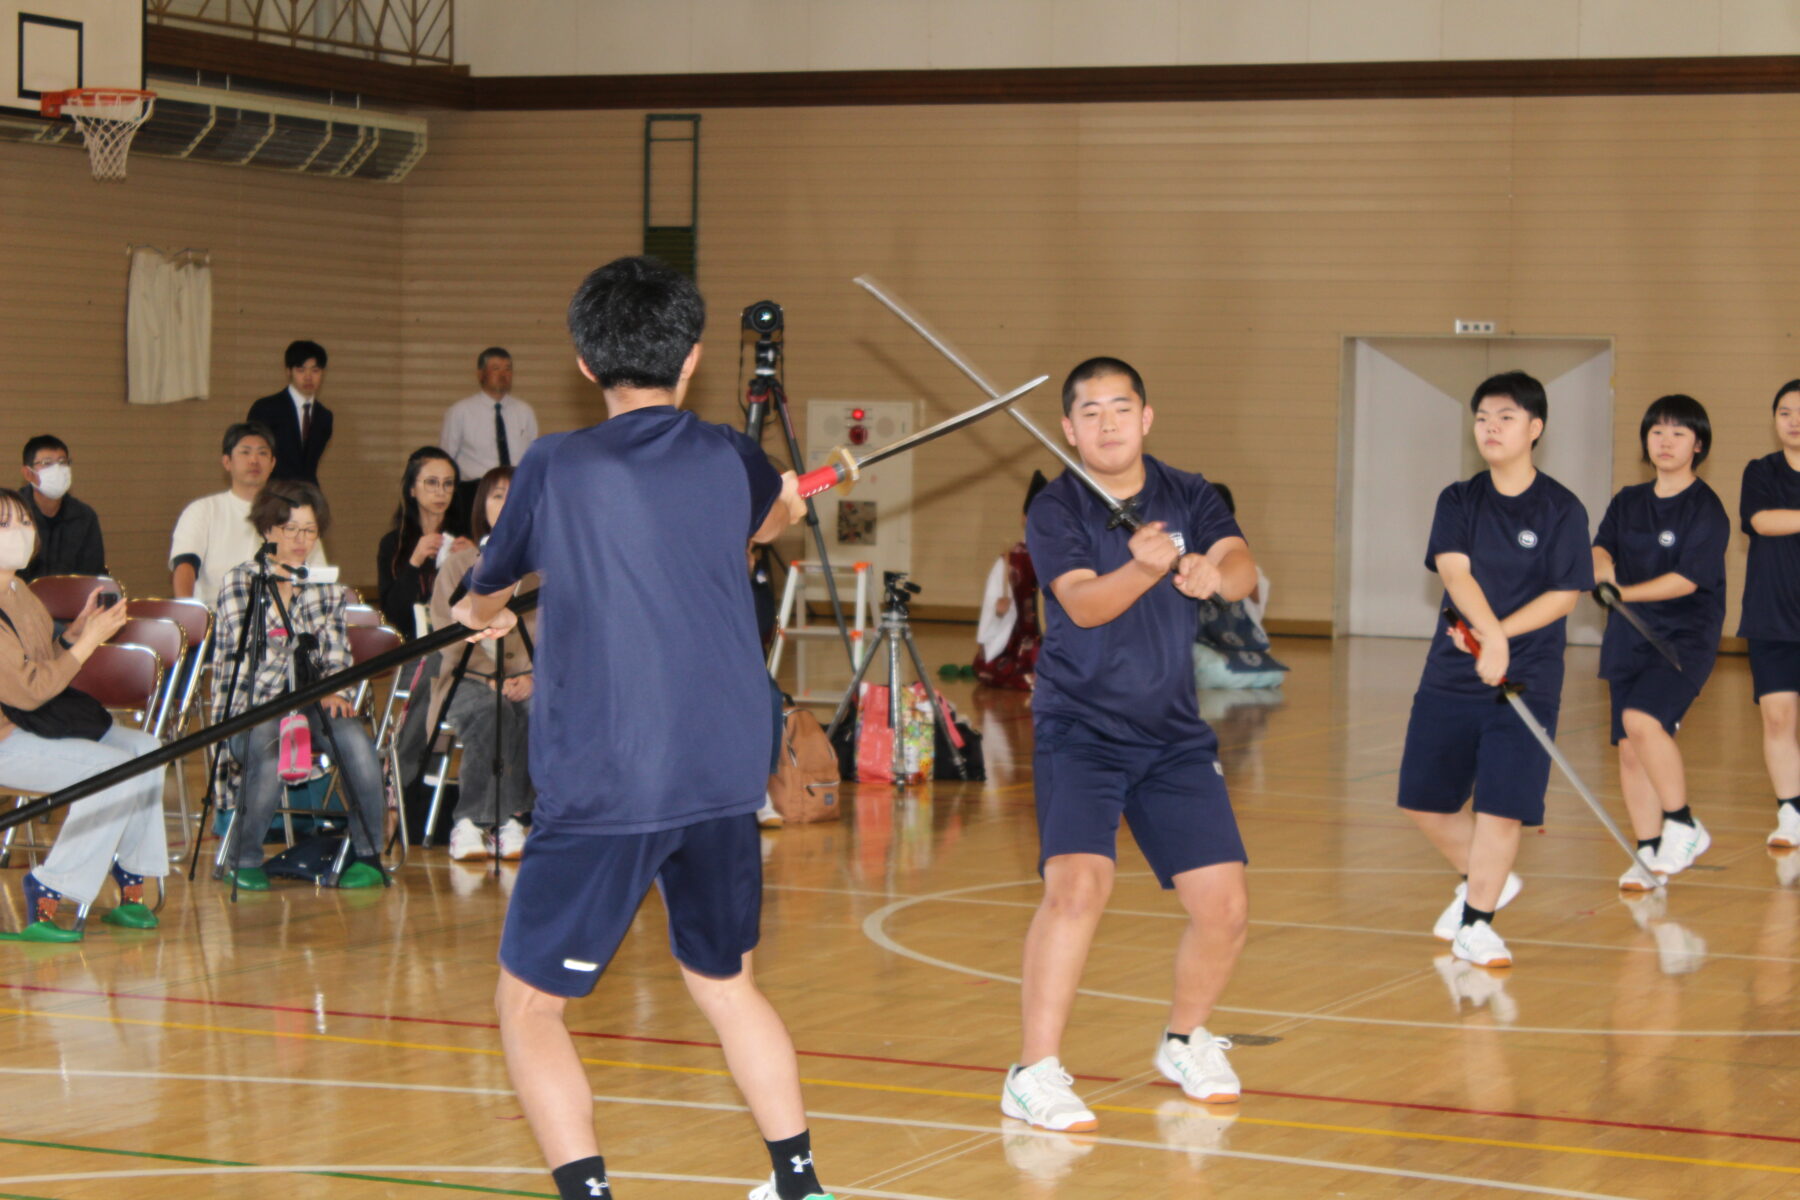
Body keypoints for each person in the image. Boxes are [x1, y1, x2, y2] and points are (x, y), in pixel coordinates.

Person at [451, 256, 829, 1200]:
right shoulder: (727, 454)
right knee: (724, 980)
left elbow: (488, 587)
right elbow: (771, 520)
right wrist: (788, 494)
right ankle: (798, 1181)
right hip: (721, 773)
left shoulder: (555, 464)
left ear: (584, 361)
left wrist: (478, 610)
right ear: (693, 357)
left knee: (529, 1006)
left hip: (608, 775)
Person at [1004, 356, 1257, 1132]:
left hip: (1172, 731)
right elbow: (1081, 605)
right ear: (1069, 428)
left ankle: (1185, 1040)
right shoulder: (1056, 509)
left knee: (1225, 907)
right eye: (1091, 411)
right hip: (1081, 726)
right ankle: (1034, 1071)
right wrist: (1146, 570)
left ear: (1146, 417)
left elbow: (1243, 563)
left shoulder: (1190, 493)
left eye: (1122, 408)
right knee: (1076, 888)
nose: (1108, 423)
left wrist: (1216, 575)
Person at [1397, 371, 1592, 970]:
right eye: (1482, 417)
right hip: (1453, 671)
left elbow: (1565, 595)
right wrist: (1486, 637)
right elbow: (1456, 574)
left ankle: (1477, 921)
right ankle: (1488, 878)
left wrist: (1502, 640)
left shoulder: (1561, 508)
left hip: (1527, 677)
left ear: (1535, 429)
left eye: (1505, 417)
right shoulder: (1458, 500)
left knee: (1502, 805)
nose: (1490, 428)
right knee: (1424, 802)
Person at [0, 491, 164, 943]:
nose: (20, 533)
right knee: (110, 770)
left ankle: (131, 873)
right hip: (7, 739)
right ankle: (51, 885)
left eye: (24, 523)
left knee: (145, 750)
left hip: (30, 724)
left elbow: (41, 664)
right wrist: (89, 642)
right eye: (5, 525)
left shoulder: (19, 591)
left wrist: (72, 634)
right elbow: (31, 691)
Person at [210, 480, 385, 891]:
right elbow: (252, 664)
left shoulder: (325, 585)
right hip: (251, 708)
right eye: (291, 529)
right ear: (269, 529)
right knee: (270, 752)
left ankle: (368, 853)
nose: (301, 540)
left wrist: (334, 688)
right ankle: (245, 856)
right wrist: (285, 605)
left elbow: (337, 652)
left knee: (357, 744)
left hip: (311, 704)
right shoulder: (242, 582)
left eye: (309, 530)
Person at [1592, 395, 1729, 889]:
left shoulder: (1706, 509)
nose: (1665, 441)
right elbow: (1601, 546)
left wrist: (1621, 591)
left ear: (1698, 445)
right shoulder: (1629, 500)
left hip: (1683, 639)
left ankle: (1684, 823)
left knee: (1643, 719)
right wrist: (1604, 571)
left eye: (1677, 433)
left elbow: (1686, 581)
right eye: (1656, 432)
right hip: (1628, 637)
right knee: (1630, 748)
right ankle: (1649, 855)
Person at [429, 466, 535, 862]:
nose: (505, 504)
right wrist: (491, 677)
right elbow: (446, 632)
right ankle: (471, 821)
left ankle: (516, 817)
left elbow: (561, 635)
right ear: (481, 507)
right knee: (493, 712)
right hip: (466, 680)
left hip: (529, 679)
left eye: (514, 495)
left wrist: (534, 677)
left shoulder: (543, 571)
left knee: (541, 711)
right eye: (496, 495)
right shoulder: (458, 565)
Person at [169, 422, 324, 607]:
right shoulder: (202, 511)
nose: (254, 460)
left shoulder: (294, 514)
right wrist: (188, 611)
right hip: (216, 620)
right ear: (227, 462)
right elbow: (184, 566)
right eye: (245, 452)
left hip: (282, 620)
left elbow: (319, 575)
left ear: (273, 463)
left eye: (262, 453)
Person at [1740, 380, 1800, 851]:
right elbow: (1762, 521)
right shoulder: (1761, 471)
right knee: (1778, 719)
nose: (1794, 420)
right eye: (1784, 412)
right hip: (1772, 616)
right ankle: (1790, 813)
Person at [1192, 483, 1287, 691]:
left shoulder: (1246, 569)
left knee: (1209, 668)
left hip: (1235, 653)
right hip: (1205, 649)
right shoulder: (1188, 559)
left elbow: (1245, 587)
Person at [377, 447, 473, 641]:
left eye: (448, 484)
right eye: (431, 483)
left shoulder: (466, 540)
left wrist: (475, 559)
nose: (441, 492)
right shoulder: (393, 544)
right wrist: (415, 561)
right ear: (412, 488)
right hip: (412, 645)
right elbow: (392, 618)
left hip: (460, 642)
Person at [441, 347, 539, 529]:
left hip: (515, 491)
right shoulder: (460, 411)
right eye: (496, 368)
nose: (503, 374)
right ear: (480, 374)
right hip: (474, 493)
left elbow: (532, 458)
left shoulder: (524, 412)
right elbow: (447, 460)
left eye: (508, 368)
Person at [973, 470, 1046, 690]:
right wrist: (999, 611)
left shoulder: (1064, 558)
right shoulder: (1010, 562)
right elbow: (993, 606)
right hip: (1019, 642)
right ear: (1024, 518)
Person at [17, 435, 106, 583]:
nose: (57, 469)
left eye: (63, 462)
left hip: (72, 602)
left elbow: (92, 575)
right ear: (28, 473)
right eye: (47, 463)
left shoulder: (84, 516)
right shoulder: (12, 514)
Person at [247, 339, 333, 485]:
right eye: (301, 370)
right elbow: (254, 457)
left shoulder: (325, 417)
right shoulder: (266, 408)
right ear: (288, 372)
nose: (308, 377)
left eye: (315, 370)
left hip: (308, 495)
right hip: (271, 494)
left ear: (322, 373)